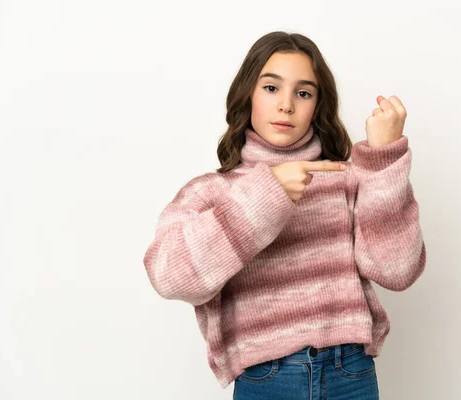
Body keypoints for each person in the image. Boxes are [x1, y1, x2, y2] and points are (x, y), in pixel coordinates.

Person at [142, 30, 427, 399]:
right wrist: (265, 197)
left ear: (317, 106)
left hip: (350, 374)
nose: (286, 105)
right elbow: (169, 276)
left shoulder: (347, 179)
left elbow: (398, 271)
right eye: (271, 88)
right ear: (248, 94)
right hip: (269, 379)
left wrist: (383, 159)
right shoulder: (212, 191)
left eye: (303, 93)